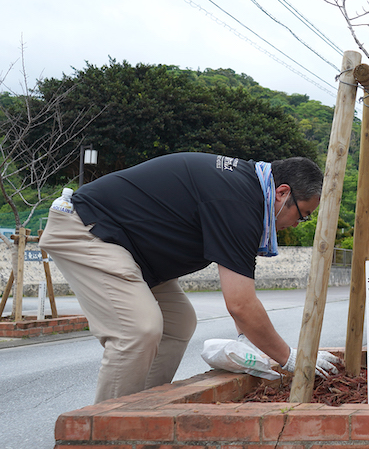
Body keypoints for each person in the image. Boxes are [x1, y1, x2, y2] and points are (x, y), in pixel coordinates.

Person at [39, 152, 341, 403]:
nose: (297, 224)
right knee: (138, 330)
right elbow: (241, 305)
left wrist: (246, 341)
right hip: (88, 229)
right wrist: (290, 358)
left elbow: (238, 286)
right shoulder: (239, 202)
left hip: (129, 249)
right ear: (283, 192)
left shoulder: (246, 190)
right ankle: (106, 433)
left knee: (178, 321)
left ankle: (142, 409)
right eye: (302, 215)